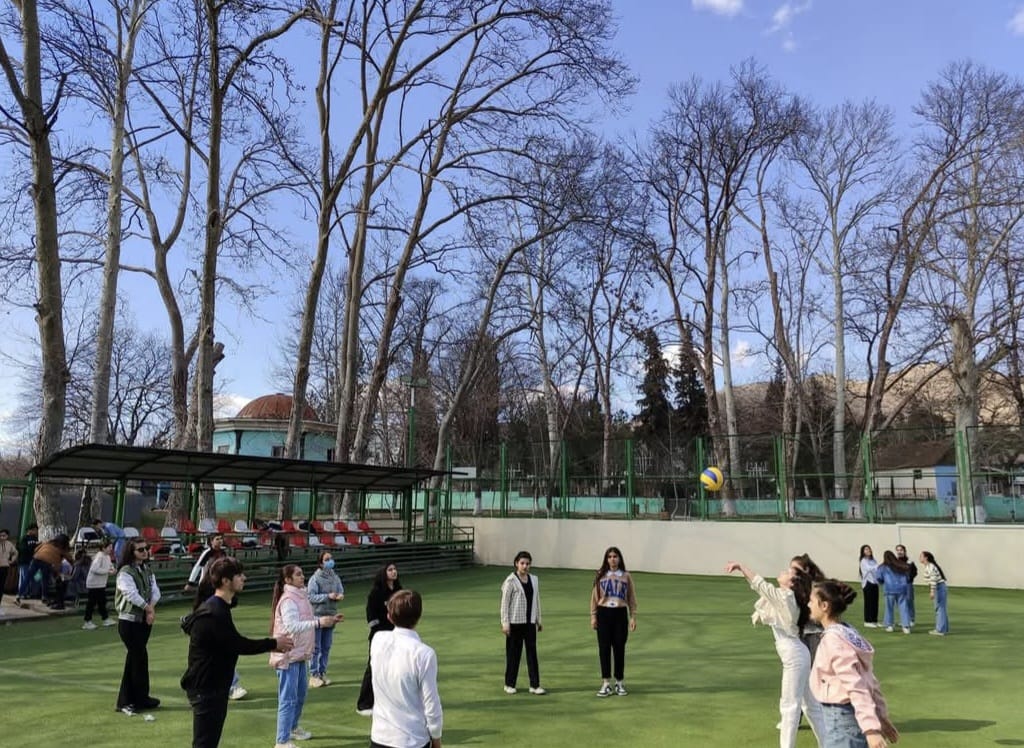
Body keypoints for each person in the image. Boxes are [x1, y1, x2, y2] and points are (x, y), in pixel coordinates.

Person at [181, 557, 295, 748]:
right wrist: (274, 643)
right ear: (226, 581)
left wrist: (272, 644)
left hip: (213, 686)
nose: (244, 578)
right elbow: (237, 644)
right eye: (239, 575)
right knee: (204, 743)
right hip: (206, 687)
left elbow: (231, 643)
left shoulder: (219, 607)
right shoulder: (214, 611)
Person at [725, 560, 825, 748]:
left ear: (791, 583)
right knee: (809, 707)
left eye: (788, 572)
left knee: (790, 707)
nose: (783, 571)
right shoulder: (786, 597)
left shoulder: (785, 597)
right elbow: (762, 589)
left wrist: (741, 566)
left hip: (795, 656)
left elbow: (760, 584)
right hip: (797, 654)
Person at [808, 579, 899, 748]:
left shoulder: (833, 640)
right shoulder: (849, 632)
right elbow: (868, 679)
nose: (808, 605)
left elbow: (855, 684)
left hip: (842, 722)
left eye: (812, 601)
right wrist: (880, 716)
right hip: (845, 720)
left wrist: (871, 730)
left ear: (824, 606)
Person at [269, 564, 342, 748]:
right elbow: (292, 625)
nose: (303, 577)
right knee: (288, 699)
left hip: (300, 655)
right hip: (287, 656)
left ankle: (293, 728)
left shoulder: (301, 596)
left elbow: (305, 622)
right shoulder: (288, 600)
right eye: (298, 575)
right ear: (288, 580)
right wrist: (318, 623)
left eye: (302, 574)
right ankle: (282, 741)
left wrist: (328, 621)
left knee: (300, 695)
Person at [370, 589, 443, 748]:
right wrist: (436, 738)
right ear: (418, 617)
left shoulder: (378, 640)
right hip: (411, 740)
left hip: (380, 737)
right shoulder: (424, 654)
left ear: (389, 616)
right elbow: (431, 703)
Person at [115, 536, 162, 715]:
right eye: (140, 549)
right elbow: (130, 593)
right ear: (131, 552)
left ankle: (141, 697)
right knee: (136, 657)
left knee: (139, 658)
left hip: (143, 620)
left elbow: (155, 590)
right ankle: (126, 701)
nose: (145, 552)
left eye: (146, 548)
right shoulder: (125, 572)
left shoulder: (147, 570)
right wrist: (148, 608)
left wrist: (150, 608)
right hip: (129, 621)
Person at [590, 546, 637, 697]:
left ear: (620, 558)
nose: (612, 559)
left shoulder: (626, 576)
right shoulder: (600, 575)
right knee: (604, 649)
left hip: (620, 613)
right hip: (604, 613)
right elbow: (594, 598)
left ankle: (619, 682)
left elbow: (631, 597)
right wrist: (593, 616)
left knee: (619, 648)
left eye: (615, 556)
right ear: (606, 559)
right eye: (609, 556)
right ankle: (605, 683)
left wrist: (633, 617)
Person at [358, 562, 402, 715]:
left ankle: (388, 700)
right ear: (383, 573)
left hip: (396, 634)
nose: (393, 572)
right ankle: (364, 703)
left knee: (394, 668)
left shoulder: (399, 591)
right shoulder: (376, 593)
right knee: (373, 667)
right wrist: (378, 632)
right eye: (390, 570)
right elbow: (371, 614)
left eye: (395, 569)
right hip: (380, 636)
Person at [500, 550, 545, 696]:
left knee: (532, 654)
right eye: (522, 563)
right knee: (514, 654)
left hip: (529, 623)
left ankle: (535, 685)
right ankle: (509, 683)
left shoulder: (534, 580)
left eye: (527, 563)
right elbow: (504, 604)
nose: (525, 566)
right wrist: (505, 623)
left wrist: (538, 619)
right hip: (515, 623)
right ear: (516, 564)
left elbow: (536, 601)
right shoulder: (510, 581)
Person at [307, 550, 345, 688]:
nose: (330, 561)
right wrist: (327, 596)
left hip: (331, 615)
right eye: (327, 559)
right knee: (315, 647)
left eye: (331, 558)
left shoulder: (335, 577)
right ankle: (314, 674)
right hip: (317, 615)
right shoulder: (315, 579)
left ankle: (322, 672)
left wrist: (340, 596)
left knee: (326, 646)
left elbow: (341, 591)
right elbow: (310, 596)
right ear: (321, 563)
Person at [29, 533, 72, 606]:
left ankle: (35, 593)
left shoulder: (47, 543)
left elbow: (36, 549)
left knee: (38, 578)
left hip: (39, 560)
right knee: (47, 580)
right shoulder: (62, 549)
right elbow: (69, 558)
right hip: (51, 565)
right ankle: (46, 596)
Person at [83, 538, 117, 629]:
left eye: (111, 547)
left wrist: (112, 569)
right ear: (103, 548)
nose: (111, 549)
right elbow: (95, 569)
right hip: (93, 584)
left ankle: (105, 619)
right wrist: (108, 571)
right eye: (109, 547)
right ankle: (87, 622)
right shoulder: (99, 556)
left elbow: (110, 566)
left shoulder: (107, 557)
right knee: (91, 603)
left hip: (101, 584)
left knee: (102, 602)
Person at [876, 551, 912, 634]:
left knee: (889, 608)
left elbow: (878, 577)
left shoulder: (882, 567)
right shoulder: (901, 565)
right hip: (902, 589)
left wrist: (882, 582)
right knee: (904, 608)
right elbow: (907, 576)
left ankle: (890, 625)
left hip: (889, 590)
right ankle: (906, 627)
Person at [919, 551, 948, 636]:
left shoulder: (930, 567)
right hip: (939, 587)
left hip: (939, 588)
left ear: (926, 557)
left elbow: (933, 579)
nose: (919, 558)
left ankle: (940, 630)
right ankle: (943, 628)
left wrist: (932, 591)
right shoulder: (928, 566)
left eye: (921, 556)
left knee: (939, 608)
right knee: (941, 608)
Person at [15, 524, 39, 604]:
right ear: (30, 530)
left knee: (36, 578)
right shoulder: (24, 539)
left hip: (34, 561)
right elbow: (22, 549)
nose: (36, 531)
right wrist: (32, 548)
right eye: (35, 530)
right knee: (24, 577)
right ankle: (23, 593)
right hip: (24, 561)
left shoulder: (36, 539)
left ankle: (33, 593)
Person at [894, 545, 917, 626]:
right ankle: (904, 619)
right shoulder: (895, 561)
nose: (899, 552)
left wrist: (909, 579)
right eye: (898, 550)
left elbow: (914, 572)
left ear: (904, 551)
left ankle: (911, 619)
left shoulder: (910, 561)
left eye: (901, 550)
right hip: (898, 584)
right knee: (900, 602)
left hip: (907, 584)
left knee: (909, 600)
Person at [858, 545, 879, 628]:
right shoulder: (863, 561)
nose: (868, 550)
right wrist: (876, 567)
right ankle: (867, 620)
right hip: (867, 583)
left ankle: (874, 620)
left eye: (869, 549)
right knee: (869, 602)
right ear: (863, 552)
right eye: (866, 549)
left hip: (874, 582)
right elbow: (869, 568)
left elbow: (876, 569)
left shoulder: (873, 560)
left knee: (875, 602)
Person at [0, 528, 17, 614]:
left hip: (4, 567)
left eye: (4, 535)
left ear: (7, 536)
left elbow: (15, 553)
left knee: (1, 587)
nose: (2, 537)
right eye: (1, 535)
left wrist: (11, 561)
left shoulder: (9, 544)